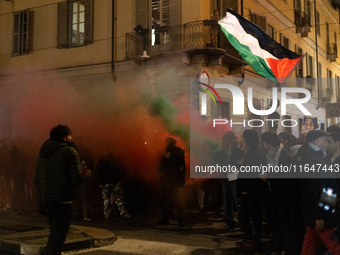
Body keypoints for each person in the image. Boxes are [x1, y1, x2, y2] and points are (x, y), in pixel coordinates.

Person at [34, 125, 91, 255]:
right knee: (59, 235)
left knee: (54, 233)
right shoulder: (69, 151)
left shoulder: (42, 154)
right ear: (64, 137)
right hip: (62, 200)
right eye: (69, 135)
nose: (71, 138)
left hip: (46, 200)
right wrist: (86, 173)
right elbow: (76, 178)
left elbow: (36, 179)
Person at [297, 130, 340, 254]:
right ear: (316, 141)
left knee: (309, 242)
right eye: (325, 141)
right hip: (323, 212)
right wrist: (319, 216)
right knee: (334, 244)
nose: (327, 144)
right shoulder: (314, 160)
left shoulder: (313, 157)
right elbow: (313, 189)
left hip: (318, 211)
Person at [261, 131, 303, 254]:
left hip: (283, 195)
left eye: (262, 142)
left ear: (267, 143)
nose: (261, 144)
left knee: (284, 223)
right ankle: (277, 245)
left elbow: (289, 173)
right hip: (275, 193)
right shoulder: (271, 155)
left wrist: (270, 175)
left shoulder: (283, 154)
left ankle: (289, 248)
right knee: (276, 222)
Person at [236, 129, 266, 252]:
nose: (242, 139)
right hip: (245, 188)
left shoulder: (256, 151)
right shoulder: (247, 150)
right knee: (244, 216)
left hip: (252, 189)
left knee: (255, 217)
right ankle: (248, 238)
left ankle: (257, 241)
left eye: (243, 137)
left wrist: (243, 165)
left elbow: (257, 169)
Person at [96, 142, 131, 219]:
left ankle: (117, 212)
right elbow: (99, 171)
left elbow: (122, 168)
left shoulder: (115, 158)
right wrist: (100, 182)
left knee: (118, 198)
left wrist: (122, 178)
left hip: (114, 181)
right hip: (108, 181)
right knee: (107, 200)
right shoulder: (103, 158)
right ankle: (108, 213)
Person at [157, 137, 186, 227]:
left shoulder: (170, 155)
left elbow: (162, 169)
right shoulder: (178, 154)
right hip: (174, 182)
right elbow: (182, 170)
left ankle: (167, 218)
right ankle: (179, 220)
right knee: (177, 201)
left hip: (170, 182)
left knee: (169, 201)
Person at [221, 131, 242, 231]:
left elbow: (240, 161)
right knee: (227, 200)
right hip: (226, 174)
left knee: (235, 199)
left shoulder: (237, 148)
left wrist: (231, 163)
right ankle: (230, 222)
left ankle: (240, 221)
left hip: (234, 175)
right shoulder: (223, 149)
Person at [72, 135, 94, 221]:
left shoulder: (75, 150)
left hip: (80, 175)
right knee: (79, 195)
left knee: (82, 195)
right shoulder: (84, 150)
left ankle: (82, 213)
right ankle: (81, 212)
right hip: (79, 175)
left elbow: (90, 162)